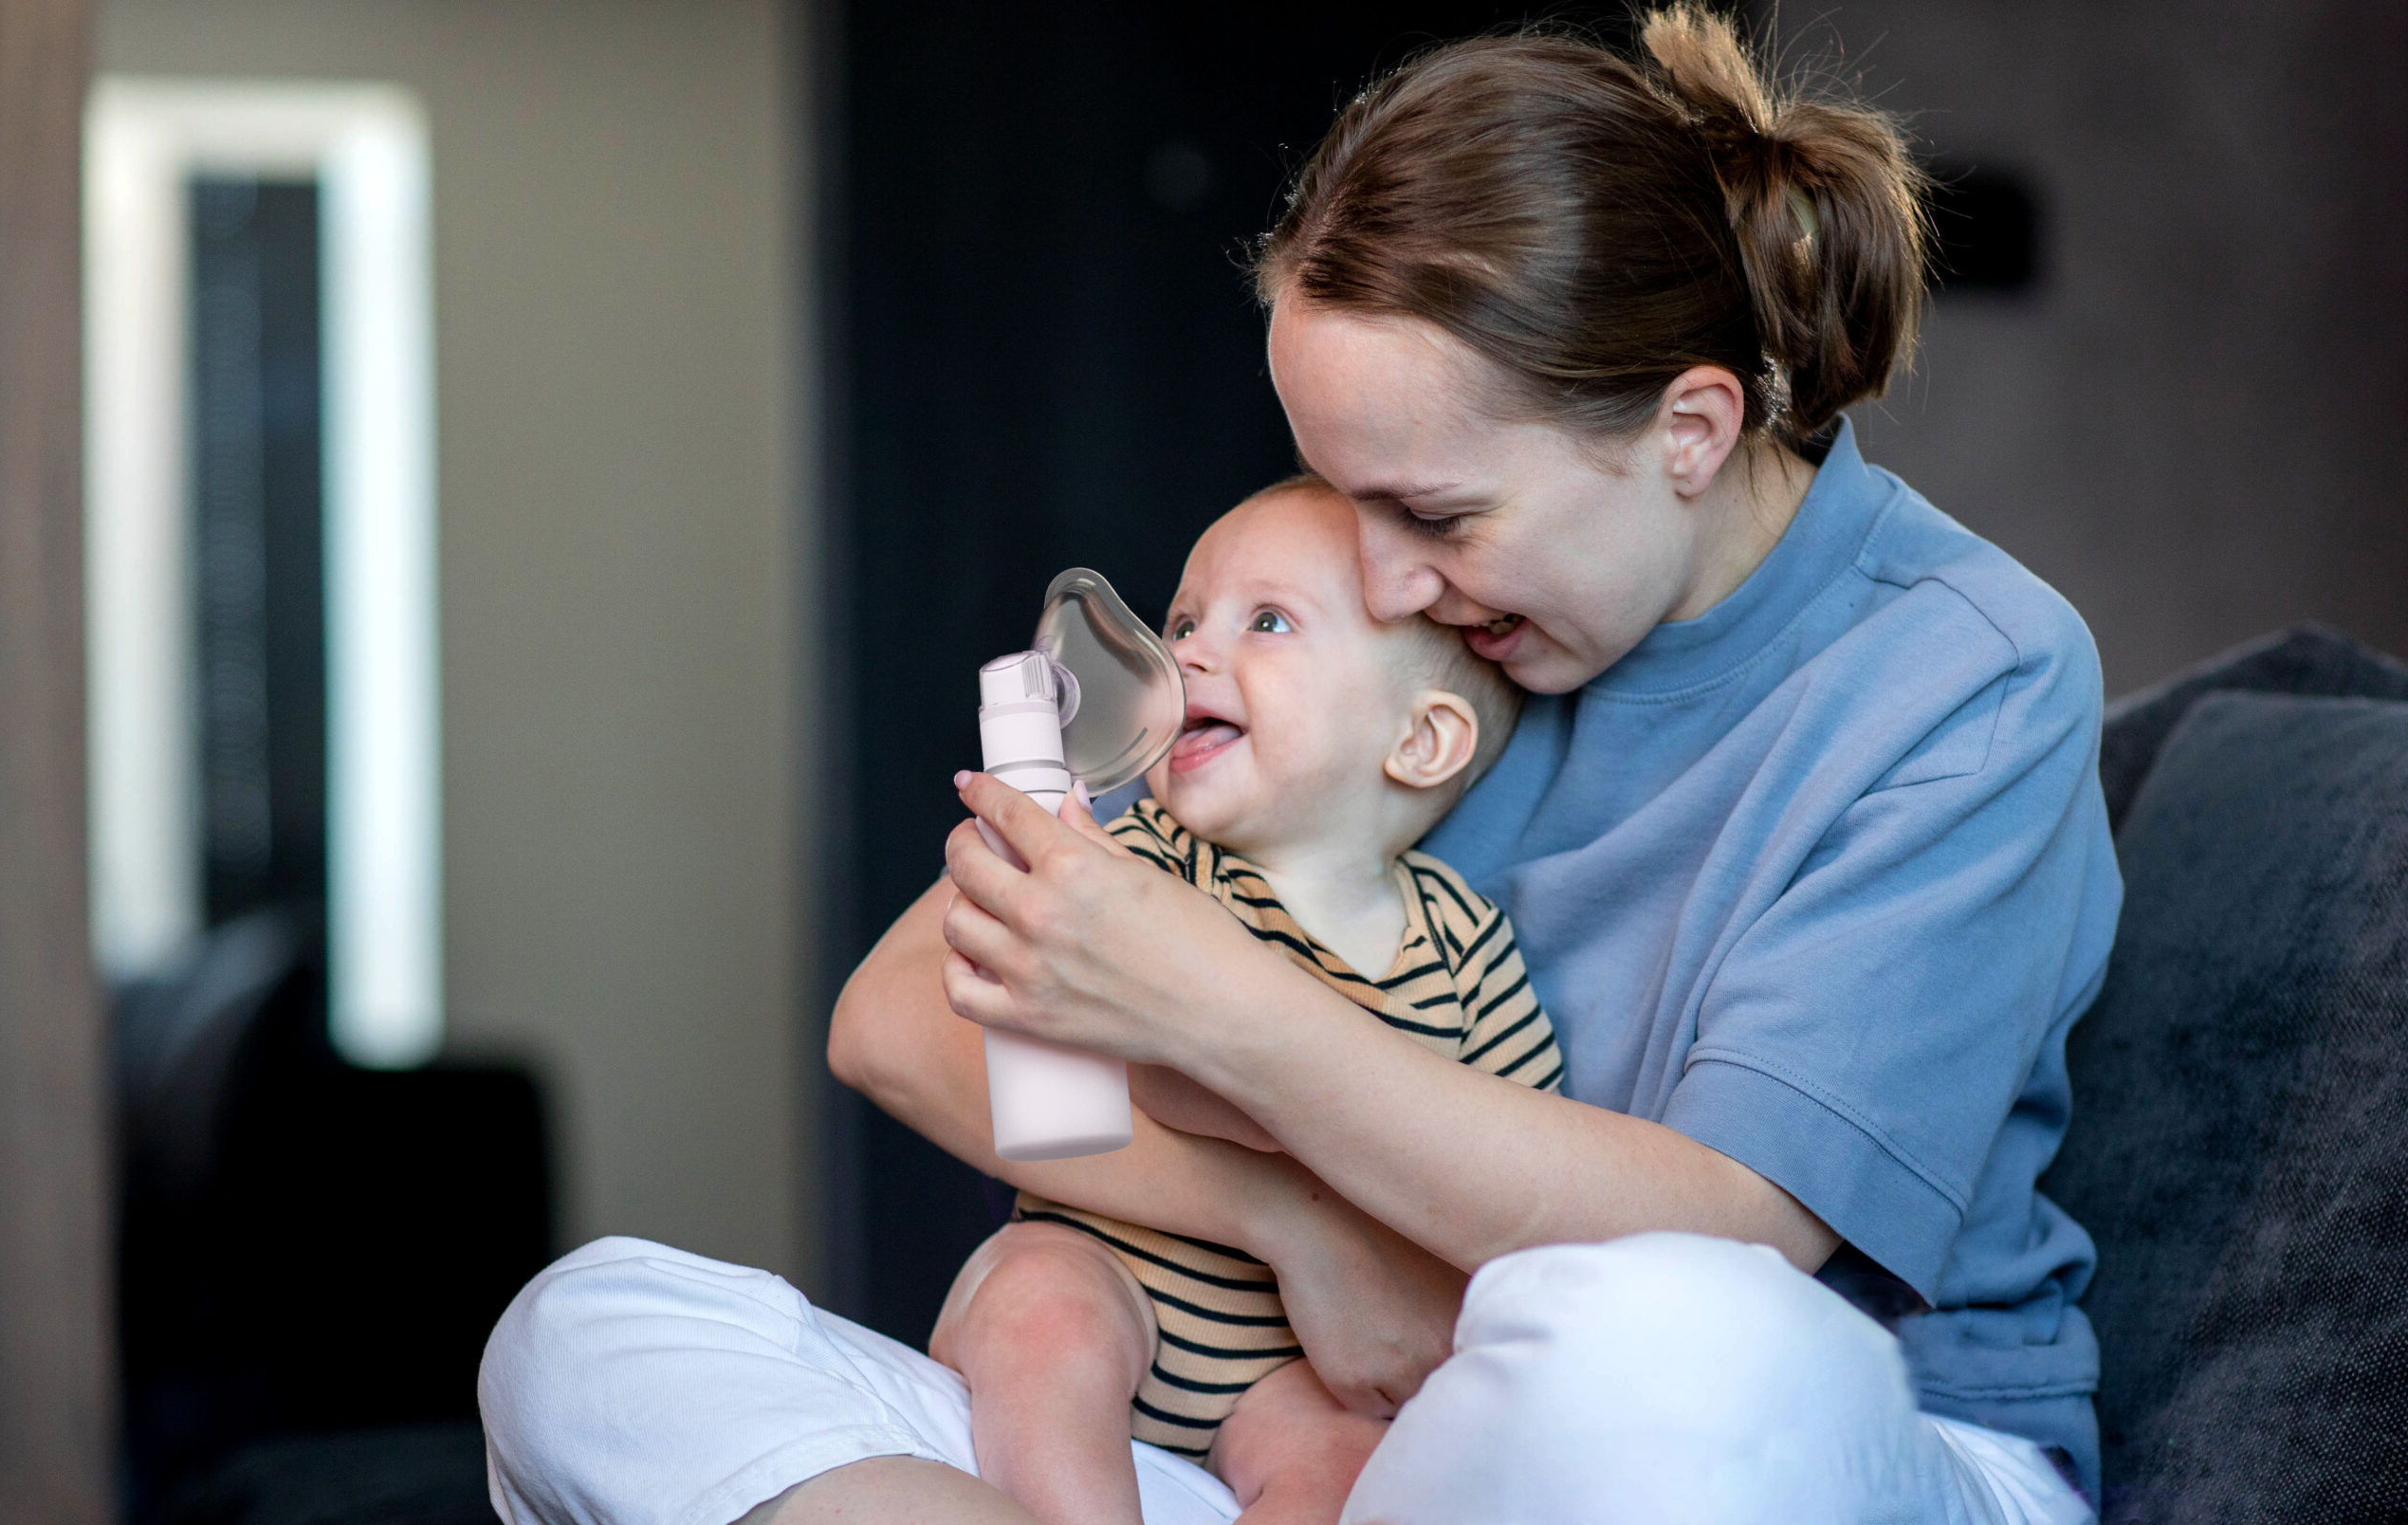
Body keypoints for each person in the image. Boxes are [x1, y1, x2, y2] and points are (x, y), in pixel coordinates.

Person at [478, 9, 2117, 1523]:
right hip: (1339, 1425)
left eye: (1437, 515)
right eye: (1353, 500)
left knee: (1684, 1344)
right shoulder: (1428, 616)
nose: (1388, 580)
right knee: (588, 1336)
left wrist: (1223, 1010)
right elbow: (905, 1017)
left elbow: (1726, 1238)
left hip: (1786, 1435)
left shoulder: (1967, 674)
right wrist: (1298, 1224)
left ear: (1688, 431)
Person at [935, 478, 1559, 1525]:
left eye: (1264, 622)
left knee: (1352, 1474)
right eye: (1181, 621)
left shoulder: (1462, 946)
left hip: (1296, 1363)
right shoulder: (1134, 870)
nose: (1182, 654)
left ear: (1419, 741)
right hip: (1105, 1275)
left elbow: (1514, 1171)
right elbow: (1068, 1047)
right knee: (1040, 1320)